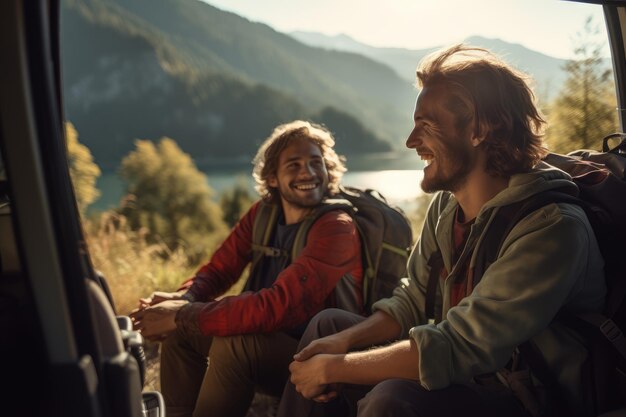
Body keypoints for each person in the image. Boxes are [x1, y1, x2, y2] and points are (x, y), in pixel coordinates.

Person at [277, 44, 606, 417]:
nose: (411, 141)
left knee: (392, 399)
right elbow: (413, 300)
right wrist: (344, 342)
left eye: (426, 125)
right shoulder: (447, 208)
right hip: (473, 376)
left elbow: (462, 345)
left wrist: (337, 367)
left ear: (481, 129)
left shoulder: (552, 228)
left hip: (530, 395)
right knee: (327, 327)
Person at [130, 120, 363, 417]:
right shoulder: (264, 215)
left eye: (316, 163)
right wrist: (184, 301)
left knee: (234, 344)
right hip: (271, 342)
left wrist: (182, 315)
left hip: (317, 359)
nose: (308, 173)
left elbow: (279, 307)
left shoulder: (336, 227)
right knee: (181, 334)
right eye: (294, 165)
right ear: (273, 178)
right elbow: (218, 271)